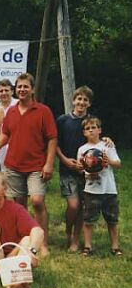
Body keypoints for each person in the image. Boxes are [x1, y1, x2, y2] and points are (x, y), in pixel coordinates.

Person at [0, 73, 57, 256]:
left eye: (26, 86)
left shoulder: (43, 111)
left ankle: (42, 243)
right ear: (16, 90)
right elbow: (6, 134)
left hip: (36, 166)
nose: (22, 90)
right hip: (13, 165)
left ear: (32, 89)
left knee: (37, 201)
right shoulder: (11, 111)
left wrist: (49, 164)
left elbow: (52, 138)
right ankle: (25, 242)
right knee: (19, 206)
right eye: (19, 87)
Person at [77, 117, 122, 257]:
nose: (91, 130)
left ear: (99, 130)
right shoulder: (82, 149)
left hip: (109, 189)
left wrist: (109, 162)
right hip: (91, 190)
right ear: (84, 133)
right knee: (89, 219)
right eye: (87, 129)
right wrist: (84, 170)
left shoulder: (107, 146)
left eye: (94, 127)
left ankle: (115, 246)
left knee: (112, 219)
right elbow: (81, 169)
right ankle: (87, 246)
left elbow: (118, 164)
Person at [55, 86, 93, 252]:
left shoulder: (91, 122)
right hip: (67, 169)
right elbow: (54, 143)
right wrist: (64, 160)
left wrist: (108, 141)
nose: (81, 102)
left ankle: (76, 240)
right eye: (79, 99)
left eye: (85, 100)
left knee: (83, 206)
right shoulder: (63, 120)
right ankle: (68, 231)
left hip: (86, 172)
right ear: (73, 100)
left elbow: (97, 142)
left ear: (89, 103)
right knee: (73, 205)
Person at [0, 79, 18, 169]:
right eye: (1, 91)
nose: (4, 93)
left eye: (6, 90)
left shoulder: (19, 104)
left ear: (12, 92)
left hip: (16, 144)